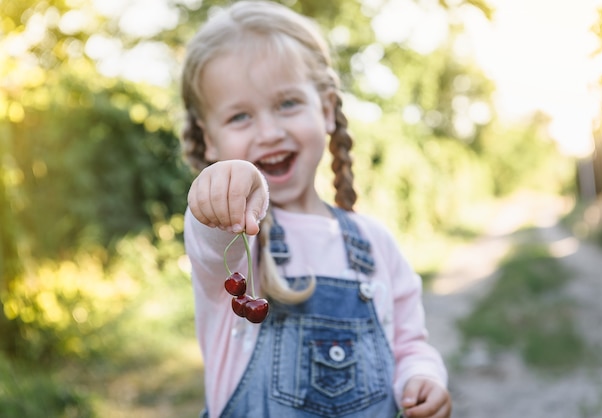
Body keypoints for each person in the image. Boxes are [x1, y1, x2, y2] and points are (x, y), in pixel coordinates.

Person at [180, 1, 451, 417]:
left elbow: (410, 344)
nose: (269, 132)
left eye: (287, 103)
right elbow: (210, 235)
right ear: (209, 140)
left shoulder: (374, 242)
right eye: (239, 116)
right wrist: (222, 187)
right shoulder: (235, 242)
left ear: (326, 110)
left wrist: (422, 377)